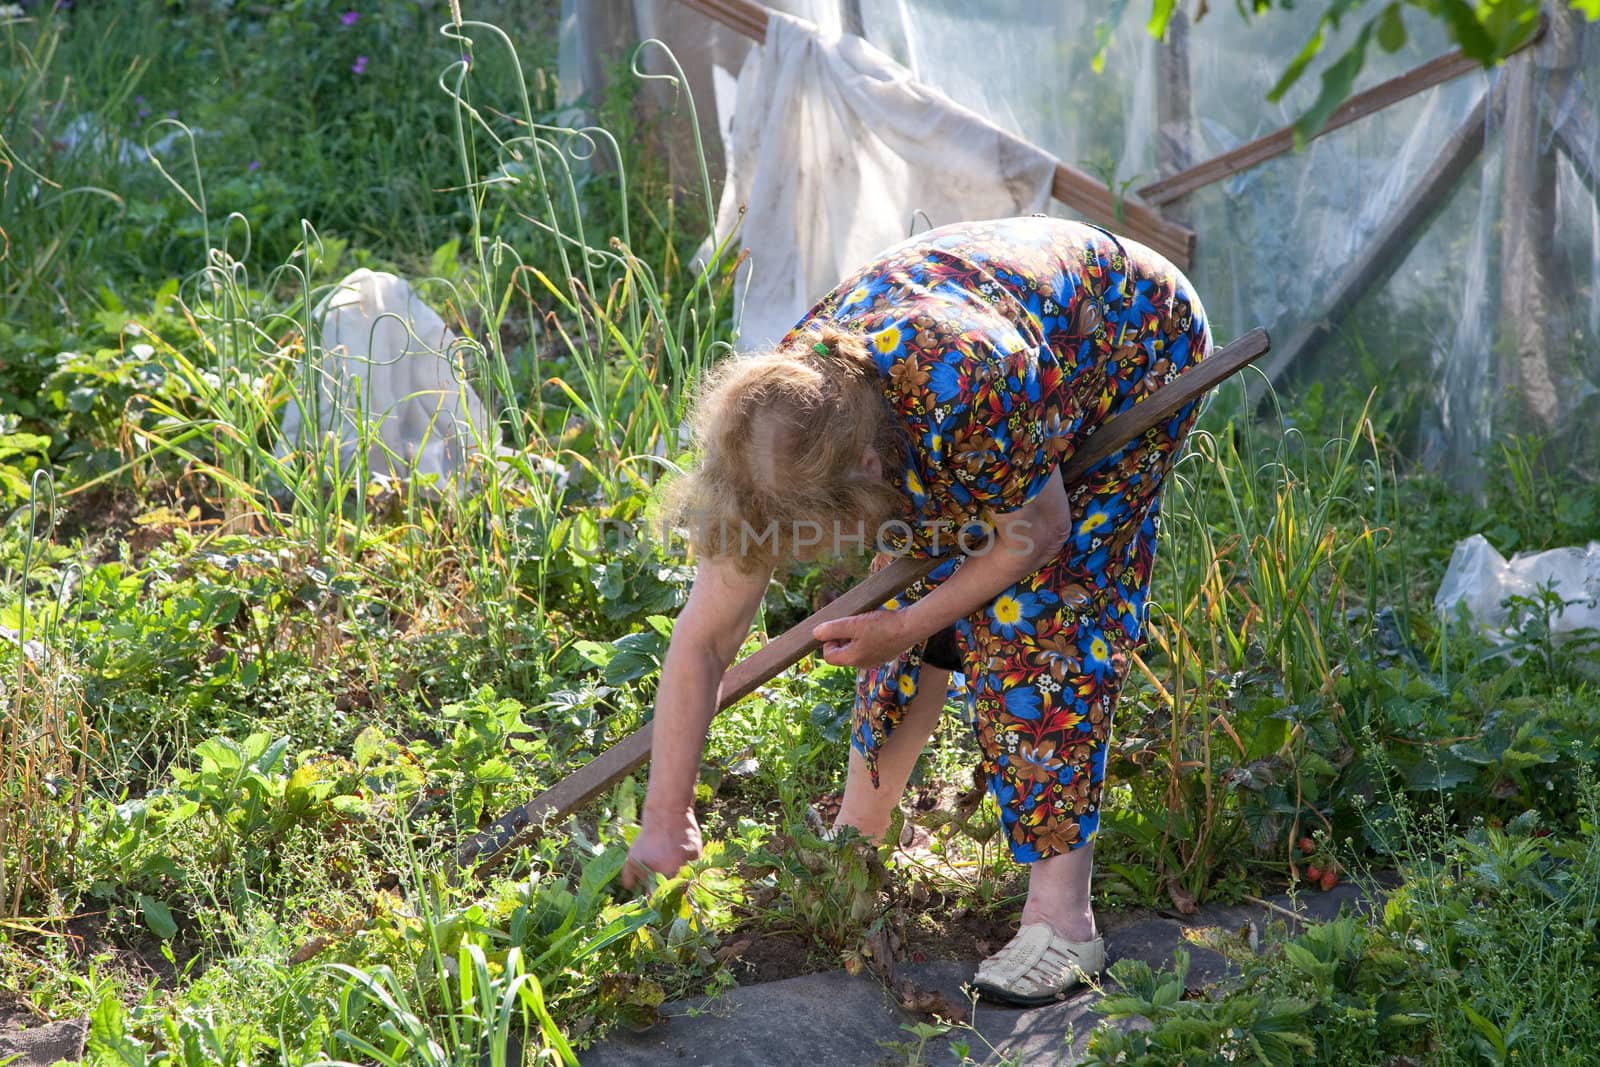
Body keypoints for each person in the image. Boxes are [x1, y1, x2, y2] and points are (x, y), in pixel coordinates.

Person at [621, 215, 1211, 1006]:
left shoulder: (971, 383)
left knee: (1041, 609)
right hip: (969, 378)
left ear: (866, 467)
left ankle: (1063, 917)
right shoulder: (781, 421)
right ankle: (856, 847)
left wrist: (906, 625)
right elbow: (705, 639)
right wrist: (666, 822)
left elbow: (1039, 530)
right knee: (905, 584)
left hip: (1127, 344)